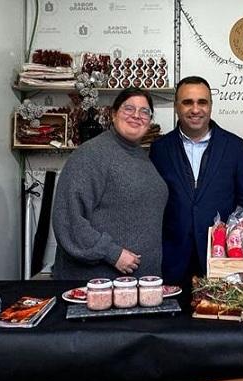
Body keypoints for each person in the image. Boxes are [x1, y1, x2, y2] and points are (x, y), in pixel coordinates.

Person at [51, 87, 168, 280]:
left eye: (144, 111)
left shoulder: (141, 156)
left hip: (137, 286)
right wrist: (111, 253)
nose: (136, 116)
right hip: (99, 285)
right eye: (128, 109)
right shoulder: (92, 154)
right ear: (113, 114)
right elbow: (68, 219)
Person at [150, 76, 243, 285]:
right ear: (176, 106)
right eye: (187, 102)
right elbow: (152, 202)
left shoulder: (234, 147)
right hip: (172, 260)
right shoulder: (160, 149)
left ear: (211, 106)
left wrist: (232, 244)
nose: (195, 109)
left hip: (221, 260)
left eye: (202, 102)